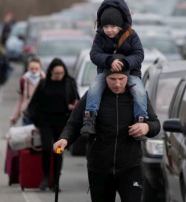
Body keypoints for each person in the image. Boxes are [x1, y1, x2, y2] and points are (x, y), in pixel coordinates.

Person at [53, 60, 160, 202]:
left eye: (121, 79)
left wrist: (146, 127)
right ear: (105, 78)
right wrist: (64, 139)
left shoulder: (138, 97)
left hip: (131, 167)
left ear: (128, 77)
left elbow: (155, 124)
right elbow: (74, 123)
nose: (117, 84)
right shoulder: (92, 96)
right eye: (112, 79)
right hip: (99, 167)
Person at [81, 0, 147, 141]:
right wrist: (109, 60)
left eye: (112, 27)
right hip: (105, 73)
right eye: (105, 27)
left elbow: (139, 54)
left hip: (131, 73)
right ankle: (89, 119)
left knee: (140, 92)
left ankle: (140, 121)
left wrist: (125, 63)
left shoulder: (131, 35)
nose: (109, 30)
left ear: (120, 25)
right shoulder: (100, 37)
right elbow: (94, 54)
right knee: (94, 87)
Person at [27, 58, 79, 191]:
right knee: (46, 149)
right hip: (45, 121)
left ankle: (56, 182)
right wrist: (35, 121)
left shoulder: (69, 83)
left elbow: (76, 100)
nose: (59, 76)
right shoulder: (44, 83)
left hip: (62, 121)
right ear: (50, 71)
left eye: (61, 73)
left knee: (58, 151)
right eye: (56, 73)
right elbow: (34, 103)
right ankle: (46, 177)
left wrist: (73, 106)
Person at [10, 56, 45, 126]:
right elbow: (20, 100)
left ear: (40, 68)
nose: (34, 71)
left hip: (41, 116)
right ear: (28, 68)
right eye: (31, 69)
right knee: (26, 136)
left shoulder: (45, 80)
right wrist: (14, 117)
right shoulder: (24, 80)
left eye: (36, 69)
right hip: (27, 115)